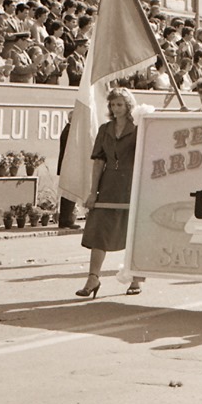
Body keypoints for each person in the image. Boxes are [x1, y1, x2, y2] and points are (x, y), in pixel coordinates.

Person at [77, 87, 145, 297]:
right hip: (108, 184)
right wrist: (93, 192)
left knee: (134, 231)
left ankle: (136, 278)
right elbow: (99, 161)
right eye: (113, 104)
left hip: (132, 183)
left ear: (128, 106)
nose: (116, 109)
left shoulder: (139, 128)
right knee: (100, 230)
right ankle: (93, 278)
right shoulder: (105, 129)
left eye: (120, 104)